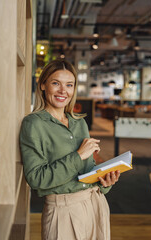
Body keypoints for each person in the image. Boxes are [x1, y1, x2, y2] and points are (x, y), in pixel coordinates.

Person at [19, 59, 120, 240]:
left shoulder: (79, 123)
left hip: (96, 204)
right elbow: (36, 179)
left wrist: (104, 182)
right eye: (56, 83)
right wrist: (78, 156)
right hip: (62, 211)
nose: (63, 91)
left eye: (69, 85)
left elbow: (87, 168)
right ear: (43, 85)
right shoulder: (33, 124)